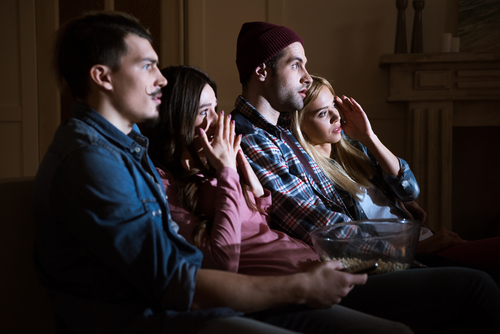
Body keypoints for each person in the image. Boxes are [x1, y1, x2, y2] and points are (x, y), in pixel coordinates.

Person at [32, 11, 417, 334]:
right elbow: (177, 280)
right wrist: (297, 287)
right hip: (160, 320)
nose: (162, 79)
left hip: (202, 303)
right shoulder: (92, 161)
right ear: (103, 77)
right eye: (147, 65)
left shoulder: (129, 147)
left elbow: (241, 223)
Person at [230, 21, 500, 331]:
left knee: (484, 279)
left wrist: (399, 221)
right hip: (338, 273)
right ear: (262, 71)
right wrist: (404, 246)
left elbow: (384, 193)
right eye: (296, 64)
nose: (307, 76)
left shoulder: (282, 134)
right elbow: (318, 224)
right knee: (477, 286)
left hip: (367, 260)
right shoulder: (248, 137)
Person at [289, 74, 500, 280]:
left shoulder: (353, 148)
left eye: (334, 106)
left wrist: (369, 137)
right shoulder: (311, 174)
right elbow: (349, 242)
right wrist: (416, 247)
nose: (336, 116)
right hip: (409, 257)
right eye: (322, 114)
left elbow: (409, 191)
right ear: (300, 124)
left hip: (424, 238)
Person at [146, 65, 320, 276]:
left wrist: (242, 168)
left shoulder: (207, 166)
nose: (218, 120)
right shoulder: (164, 184)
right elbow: (222, 262)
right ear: (175, 120)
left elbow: (258, 226)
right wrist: (227, 171)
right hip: (292, 286)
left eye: (215, 108)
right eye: (203, 112)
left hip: (312, 264)